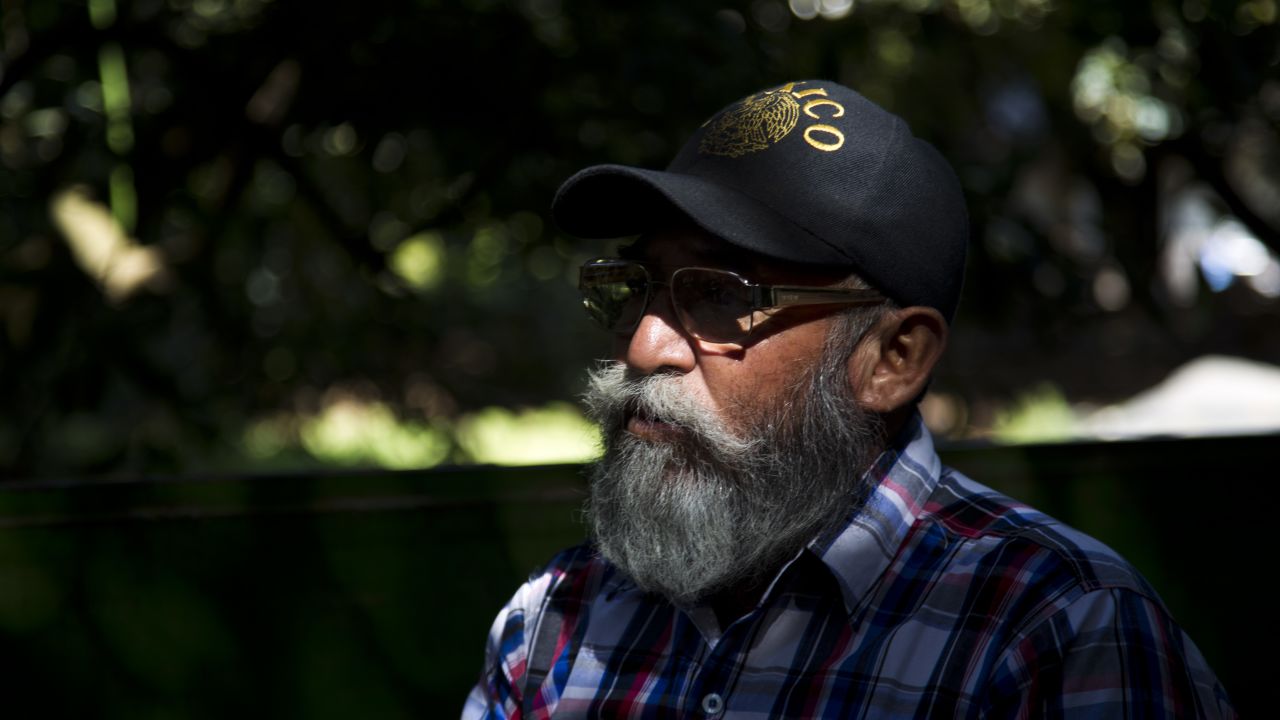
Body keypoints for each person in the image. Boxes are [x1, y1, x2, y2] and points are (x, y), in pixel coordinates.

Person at [463, 80, 1233, 718]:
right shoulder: (556, 622)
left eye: (719, 296)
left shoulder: (1051, 632)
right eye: (637, 288)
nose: (643, 346)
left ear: (892, 360)